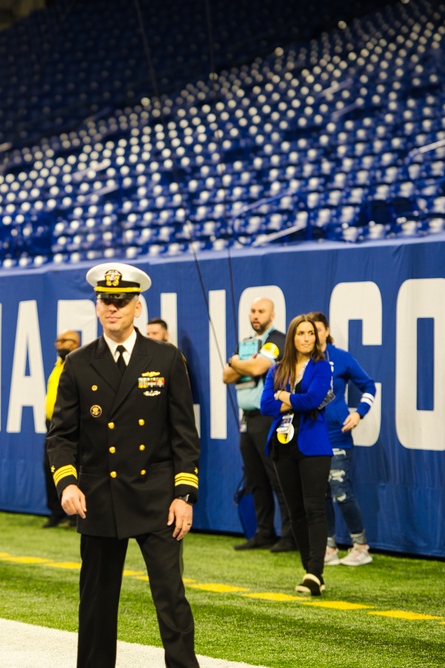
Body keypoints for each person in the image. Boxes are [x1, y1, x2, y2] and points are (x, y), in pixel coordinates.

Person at [47, 262, 200, 668]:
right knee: (96, 605)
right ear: (97, 307)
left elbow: (184, 433)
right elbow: (61, 435)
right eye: (104, 300)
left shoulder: (167, 359)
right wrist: (67, 484)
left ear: (137, 307)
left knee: (172, 602)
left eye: (121, 301)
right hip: (99, 499)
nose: (111, 307)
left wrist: (184, 495)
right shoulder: (77, 364)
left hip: (157, 498)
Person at [261, 315, 334, 596]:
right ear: (291, 338)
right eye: (301, 333)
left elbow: (313, 400)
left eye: (311, 333)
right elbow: (265, 405)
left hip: (313, 446)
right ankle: (310, 570)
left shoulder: (322, 366)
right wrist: (286, 399)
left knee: (314, 507)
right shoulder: (277, 369)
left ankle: (315, 572)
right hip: (282, 445)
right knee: (295, 512)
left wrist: (283, 396)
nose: (306, 338)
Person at [222, 298, 294, 552]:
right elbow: (226, 376)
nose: (255, 315)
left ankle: (290, 534)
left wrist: (237, 363)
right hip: (248, 418)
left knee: (277, 476)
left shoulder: (276, 339)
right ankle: (264, 532)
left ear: (272, 315)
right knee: (256, 479)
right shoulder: (247, 344)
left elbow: (258, 367)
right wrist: (241, 363)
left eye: (261, 311)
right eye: (252, 311)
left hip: (270, 417)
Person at [306, 311, 376, 567]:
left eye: (317, 330)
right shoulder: (302, 361)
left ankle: (360, 546)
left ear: (326, 331)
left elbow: (369, 385)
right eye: (307, 331)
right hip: (310, 436)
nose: (312, 336)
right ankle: (329, 546)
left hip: (337, 435)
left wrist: (359, 413)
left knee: (340, 491)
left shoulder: (341, 358)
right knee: (319, 493)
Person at [42, 329, 80, 528]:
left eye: (65, 341)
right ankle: (56, 511)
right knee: (49, 467)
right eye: (58, 340)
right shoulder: (57, 366)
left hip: (72, 425)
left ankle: (75, 514)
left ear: (76, 343)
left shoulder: (79, 364)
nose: (59, 344)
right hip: (52, 425)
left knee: (73, 468)